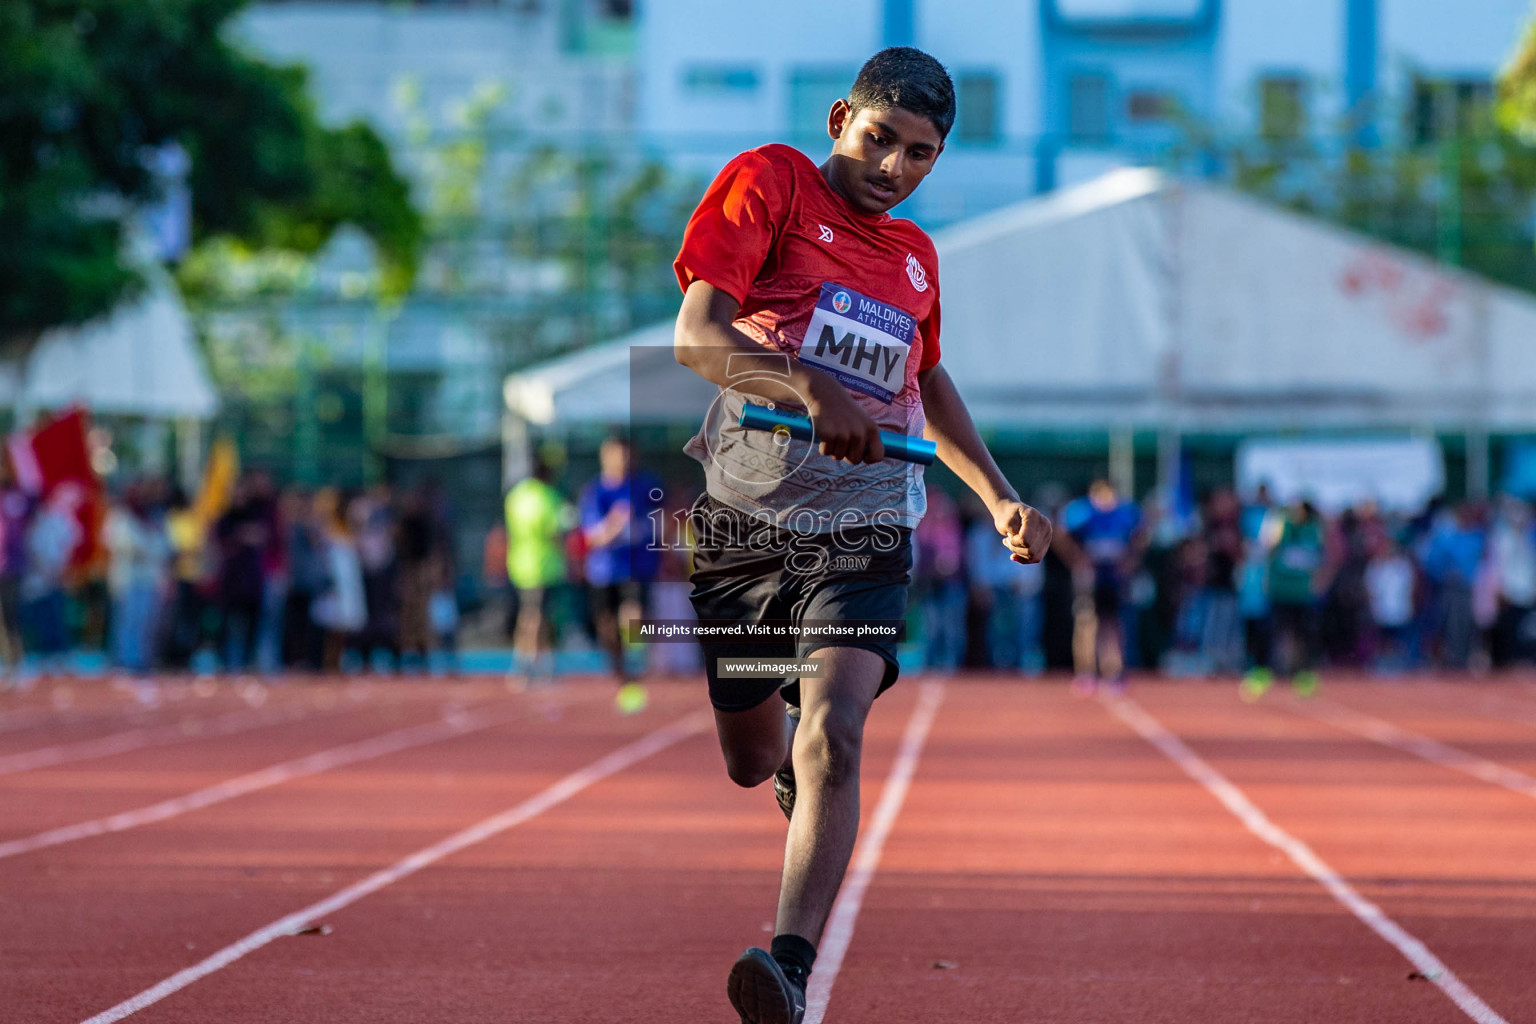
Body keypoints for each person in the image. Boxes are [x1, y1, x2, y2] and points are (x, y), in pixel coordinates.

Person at [671, 48, 1051, 1024]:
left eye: (920, 154)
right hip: (745, 518)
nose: (895, 169)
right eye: (881, 140)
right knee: (755, 760)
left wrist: (1001, 498)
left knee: (835, 732)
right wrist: (806, 383)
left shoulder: (918, 257)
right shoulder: (772, 183)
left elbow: (928, 381)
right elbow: (696, 335)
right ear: (843, 117)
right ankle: (790, 774)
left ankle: (787, 966)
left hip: (870, 517)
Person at [578, 435, 661, 712]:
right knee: (606, 628)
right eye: (617, 455)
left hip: (637, 567)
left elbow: (664, 519)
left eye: (627, 454)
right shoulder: (594, 492)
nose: (623, 460)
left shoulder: (645, 486)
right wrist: (614, 525)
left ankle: (637, 657)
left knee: (633, 613)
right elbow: (592, 538)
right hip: (604, 570)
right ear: (605, 457)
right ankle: (622, 673)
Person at [1055, 479, 1143, 695]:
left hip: (1113, 574)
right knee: (1087, 622)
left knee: (1114, 622)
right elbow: (1061, 534)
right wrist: (1078, 559)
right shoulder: (1081, 511)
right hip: (1091, 575)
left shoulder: (1125, 511)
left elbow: (1141, 534)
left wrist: (1130, 560)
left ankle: (1114, 671)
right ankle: (1087, 672)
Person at [505, 456, 574, 687]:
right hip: (543, 566)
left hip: (519, 564)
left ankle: (530, 663)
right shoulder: (548, 497)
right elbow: (555, 532)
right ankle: (530, 665)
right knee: (536, 615)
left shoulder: (516, 496)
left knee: (529, 614)